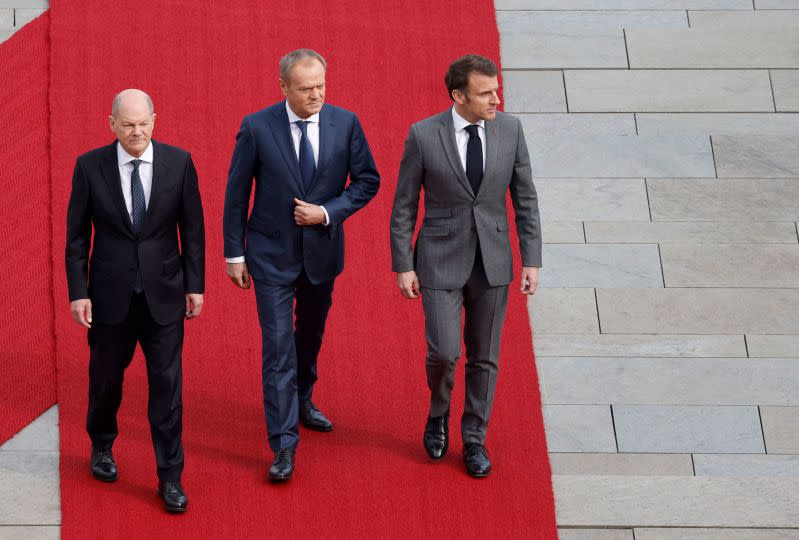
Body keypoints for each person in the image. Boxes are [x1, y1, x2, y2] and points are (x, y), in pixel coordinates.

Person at [223, 49, 380, 482]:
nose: (316, 95)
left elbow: (368, 180)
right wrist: (234, 253)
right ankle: (284, 444)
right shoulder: (256, 127)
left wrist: (327, 212)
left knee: (309, 334)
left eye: (321, 87)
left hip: (321, 253)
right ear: (284, 88)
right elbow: (236, 193)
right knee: (277, 347)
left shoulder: (344, 122)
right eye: (307, 88)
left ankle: (304, 397)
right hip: (269, 255)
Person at [389, 55, 541, 478]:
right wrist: (403, 264)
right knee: (444, 351)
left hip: (493, 262)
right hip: (437, 259)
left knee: (485, 357)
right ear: (459, 96)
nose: (497, 98)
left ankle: (474, 438)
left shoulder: (510, 129)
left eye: (496, 89)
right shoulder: (423, 134)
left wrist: (532, 259)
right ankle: (439, 412)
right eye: (486, 92)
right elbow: (404, 205)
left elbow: (524, 197)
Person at [65, 89, 205, 511]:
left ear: (154, 120)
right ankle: (102, 445)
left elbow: (192, 229)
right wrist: (79, 292)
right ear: (111, 125)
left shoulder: (179, 163)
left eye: (143, 123)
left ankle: (170, 476)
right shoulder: (89, 167)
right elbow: (76, 238)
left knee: (167, 387)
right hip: (110, 298)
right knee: (106, 381)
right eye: (127, 125)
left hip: (164, 296)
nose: (137, 131)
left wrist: (194, 285)